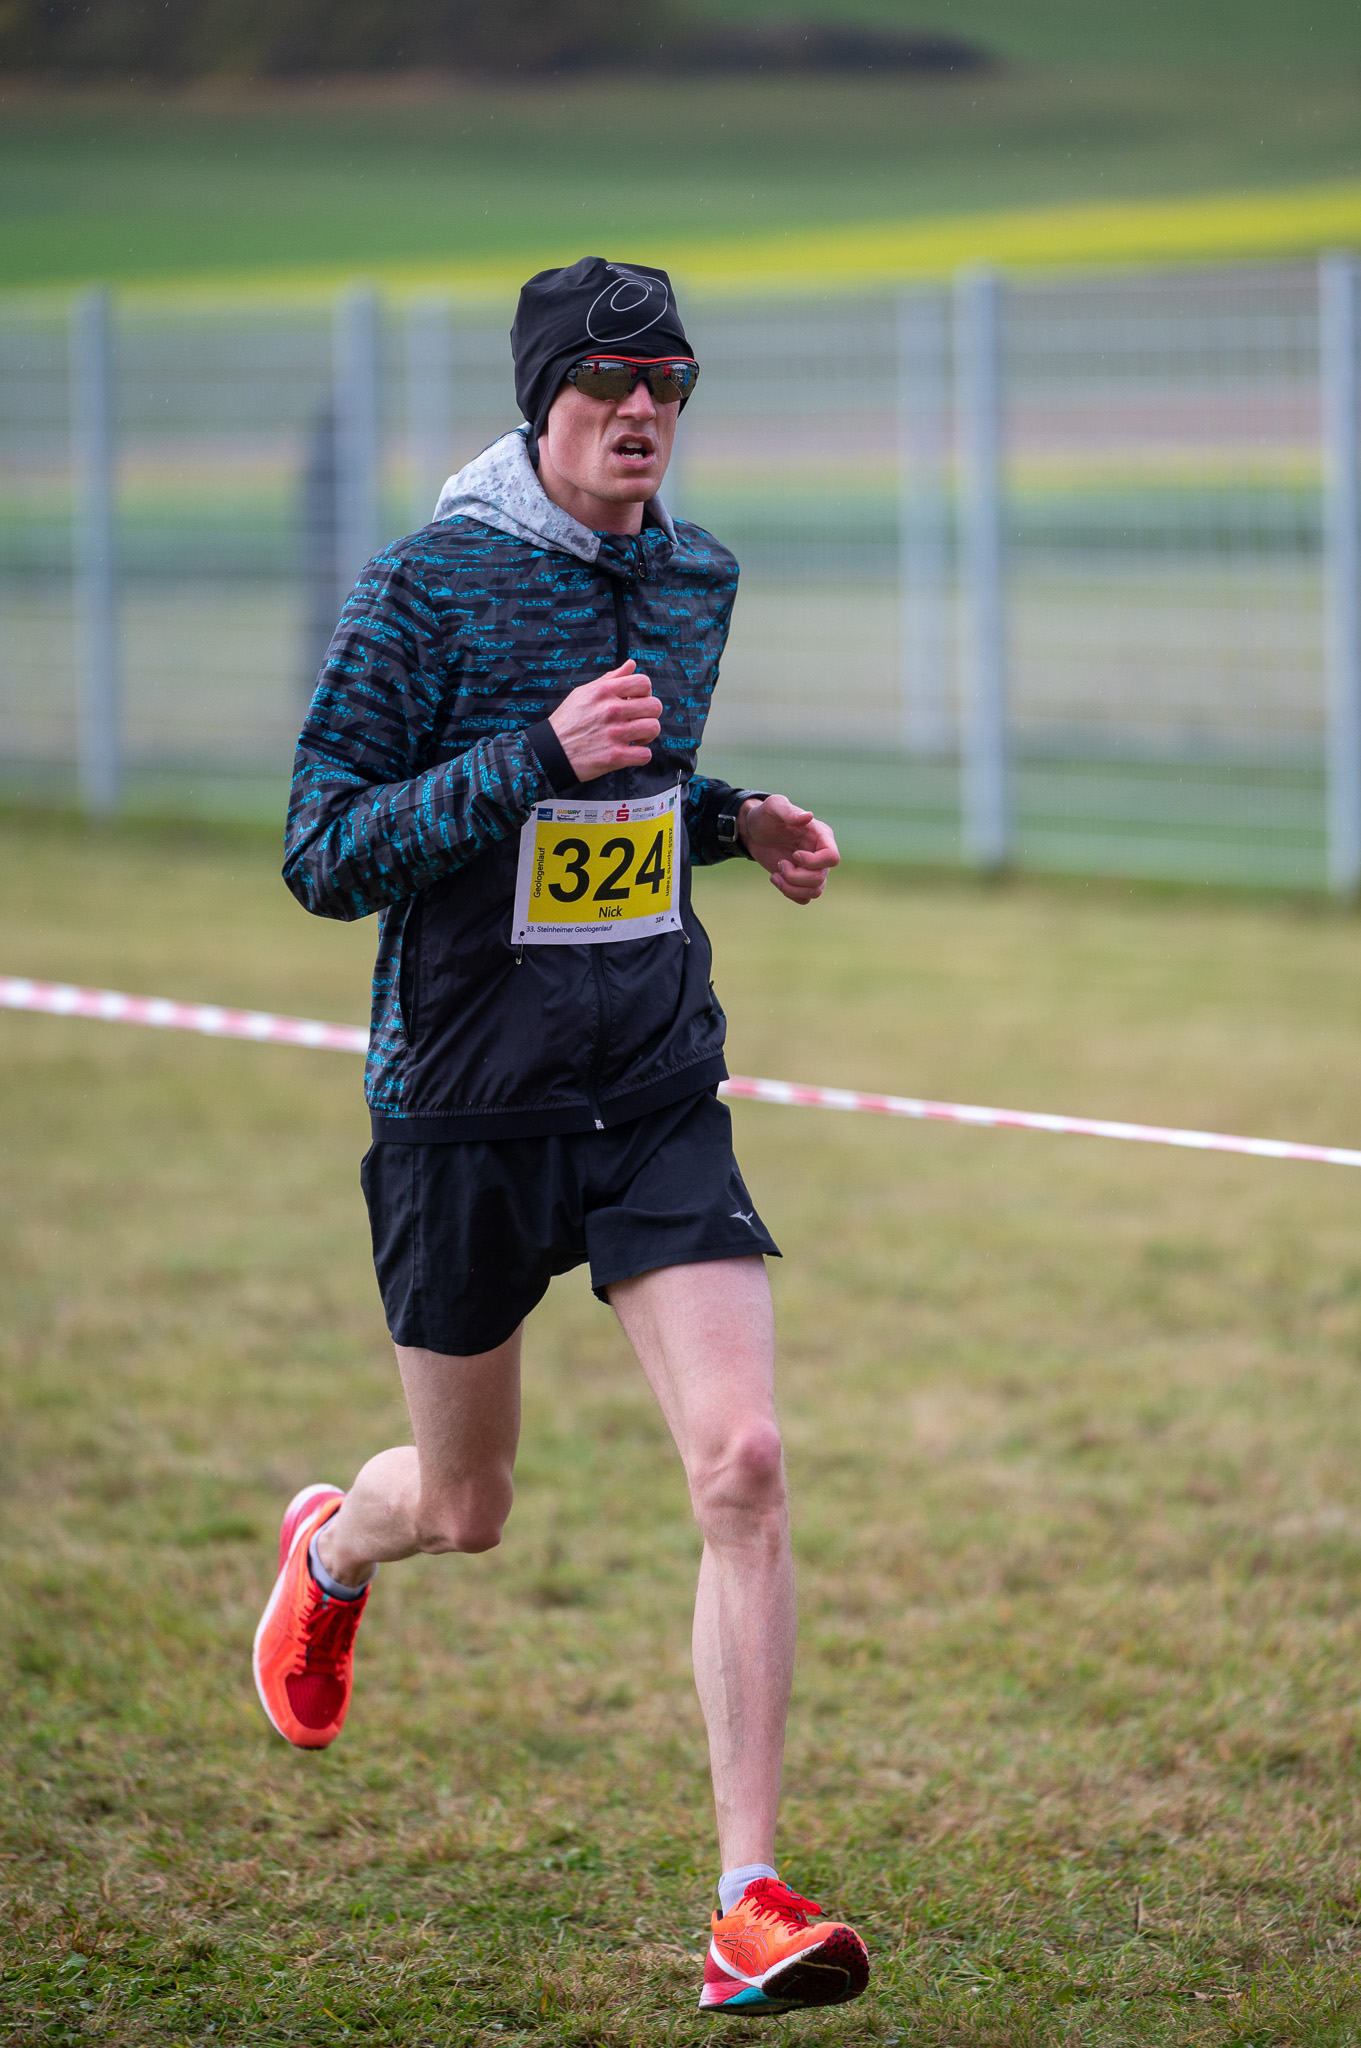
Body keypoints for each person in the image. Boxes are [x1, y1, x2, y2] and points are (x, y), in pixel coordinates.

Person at [254, 257, 869, 2018]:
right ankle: (335, 1548)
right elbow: (322, 849)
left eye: (671, 382)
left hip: (653, 1083)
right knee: (465, 1508)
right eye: (608, 382)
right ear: (544, 401)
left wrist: (734, 820)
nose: (643, 410)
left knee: (745, 1462)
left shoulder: (694, 576)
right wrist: (532, 748)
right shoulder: (430, 583)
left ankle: (746, 1904)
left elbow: (641, 789)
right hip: (464, 1102)